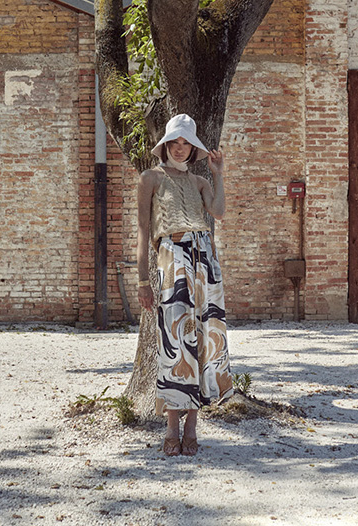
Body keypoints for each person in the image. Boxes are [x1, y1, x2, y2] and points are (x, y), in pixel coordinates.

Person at [136, 113, 234, 457]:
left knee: (204, 339)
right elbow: (143, 231)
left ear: (193, 149)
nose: (180, 148)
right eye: (175, 142)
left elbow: (218, 212)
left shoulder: (200, 182)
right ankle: (171, 427)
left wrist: (218, 174)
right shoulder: (150, 178)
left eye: (186, 143)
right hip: (171, 257)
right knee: (174, 341)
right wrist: (143, 280)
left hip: (205, 259)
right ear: (165, 145)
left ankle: (192, 425)